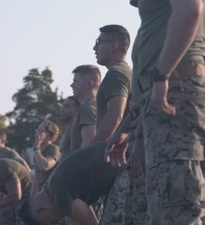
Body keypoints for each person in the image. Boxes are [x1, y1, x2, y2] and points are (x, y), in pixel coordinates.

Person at [106, 1, 205, 225]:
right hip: (187, 90)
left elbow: (191, 10)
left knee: (175, 213)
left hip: (175, 93)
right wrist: (195, 70)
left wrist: (165, 74)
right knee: (190, 207)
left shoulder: (167, 80)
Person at [18, 141, 122, 225]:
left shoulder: (59, 195)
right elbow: (85, 212)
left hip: (123, 166)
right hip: (121, 159)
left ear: (42, 210)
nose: (57, 223)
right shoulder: (52, 186)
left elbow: (88, 221)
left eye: (51, 223)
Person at [91, 24, 132, 225]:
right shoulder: (124, 72)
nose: (94, 48)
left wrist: (92, 151)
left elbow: (116, 115)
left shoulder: (116, 73)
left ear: (114, 45)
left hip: (120, 160)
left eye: (99, 42)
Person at [69, 65, 101, 152]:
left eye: (75, 81)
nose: (71, 85)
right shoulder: (96, 104)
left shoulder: (88, 107)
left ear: (89, 84)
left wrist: (77, 164)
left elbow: (89, 142)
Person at [30, 120, 61, 196]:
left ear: (51, 136)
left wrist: (36, 148)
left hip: (53, 192)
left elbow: (45, 166)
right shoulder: (38, 152)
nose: (38, 133)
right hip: (42, 192)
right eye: (38, 130)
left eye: (41, 131)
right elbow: (36, 179)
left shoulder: (54, 149)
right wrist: (31, 200)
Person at [58, 96, 80, 162]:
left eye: (66, 107)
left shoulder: (77, 130)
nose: (62, 109)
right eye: (62, 106)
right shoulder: (68, 130)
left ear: (77, 110)